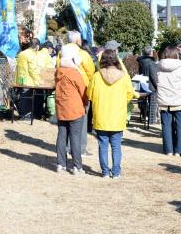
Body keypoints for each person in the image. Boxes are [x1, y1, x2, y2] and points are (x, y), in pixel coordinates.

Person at [86, 49, 136, 179]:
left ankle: (105, 172)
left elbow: (89, 94)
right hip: (117, 116)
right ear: (116, 59)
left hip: (101, 116)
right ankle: (116, 172)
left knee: (102, 145)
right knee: (116, 146)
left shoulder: (96, 76)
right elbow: (130, 94)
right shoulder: (124, 76)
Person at [57, 31, 96, 157]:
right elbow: (91, 71)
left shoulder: (60, 53)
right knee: (81, 121)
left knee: (65, 123)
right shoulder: (82, 54)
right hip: (80, 90)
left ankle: (67, 148)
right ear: (78, 41)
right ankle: (81, 149)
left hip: (63, 90)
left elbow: (57, 68)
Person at [55, 44, 87, 175]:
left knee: (62, 136)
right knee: (75, 137)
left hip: (61, 108)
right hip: (74, 109)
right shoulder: (74, 73)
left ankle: (60, 164)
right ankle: (77, 166)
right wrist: (85, 103)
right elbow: (83, 91)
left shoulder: (58, 71)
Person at [156, 46, 181, 156]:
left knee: (166, 126)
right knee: (180, 125)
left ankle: (168, 150)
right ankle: (179, 151)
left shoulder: (158, 66)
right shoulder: (180, 66)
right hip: (178, 99)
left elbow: (156, 82)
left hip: (164, 100)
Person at [137, 46, 158, 125]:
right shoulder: (151, 63)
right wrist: (157, 86)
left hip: (142, 84)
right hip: (151, 86)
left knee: (142, 101)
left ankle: (143, 116)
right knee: (152, 103)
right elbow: (153, 76)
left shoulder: (140, 61)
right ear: (151, 53)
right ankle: (151, 120)